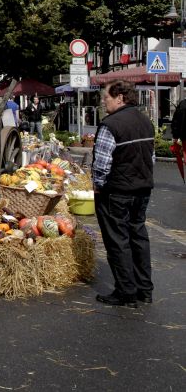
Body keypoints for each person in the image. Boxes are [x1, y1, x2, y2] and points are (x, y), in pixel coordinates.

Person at [92, 80, 155, 308]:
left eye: (106, 98)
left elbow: (102, 163)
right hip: (142, 189)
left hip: (116, 191)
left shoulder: (110, 125)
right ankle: (144, 290)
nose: (103, 102)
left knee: (118, 241)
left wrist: (98, 185)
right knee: (138, 237)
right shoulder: (146, 122)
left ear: (120, 98)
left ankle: (126, 292)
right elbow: (150, 157)